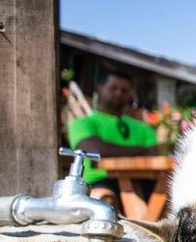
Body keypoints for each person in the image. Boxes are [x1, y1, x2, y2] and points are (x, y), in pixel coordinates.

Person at [68, 69, 158, 206]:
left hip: (143, 181)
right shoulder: (82, 123)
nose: (119, 93)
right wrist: (140, 150)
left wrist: (110, 149)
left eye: (124, 90)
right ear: (100, 88)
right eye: (113, 88)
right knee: (103, 199)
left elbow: (154, 155)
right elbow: (95, 151)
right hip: (99, 180)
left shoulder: (143, 128)